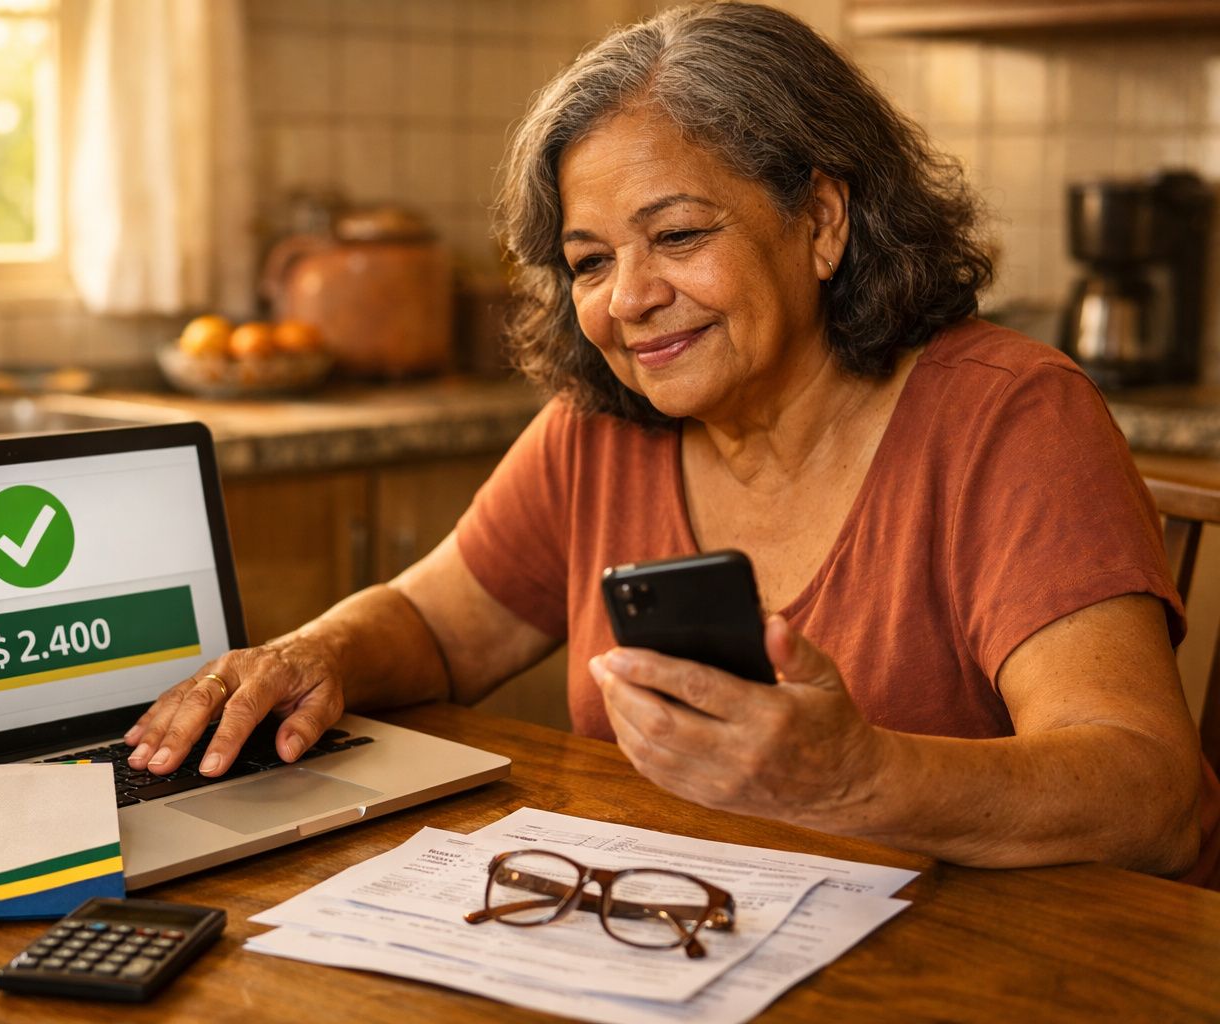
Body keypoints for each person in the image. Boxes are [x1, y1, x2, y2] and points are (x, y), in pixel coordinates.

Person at [127, 1, 1219, 886]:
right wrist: (311, 652)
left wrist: (857, 777)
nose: (631, 300)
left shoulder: (1009, 416)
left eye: (681, 235)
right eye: (591, 260)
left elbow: (1154, 800)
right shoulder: (599, 427)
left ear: (824, 221)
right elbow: (431, 622)